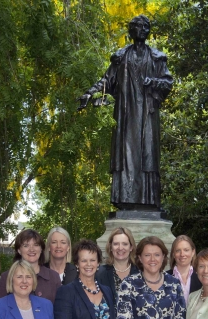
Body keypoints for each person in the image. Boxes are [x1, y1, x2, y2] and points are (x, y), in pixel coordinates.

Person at [77, 15, 173, 209]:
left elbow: (168, 82)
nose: (143, 29)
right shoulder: (121, 57)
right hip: (126, 115)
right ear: (131, 30)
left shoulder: (157, 57)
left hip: (147, 114)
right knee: (126, 156)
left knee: (148, 157)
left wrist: (152, 81)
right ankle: (126, 200)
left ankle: (149, 201)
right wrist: (90, 93)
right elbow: (107, 81)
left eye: (146, 26)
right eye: (138, 26)